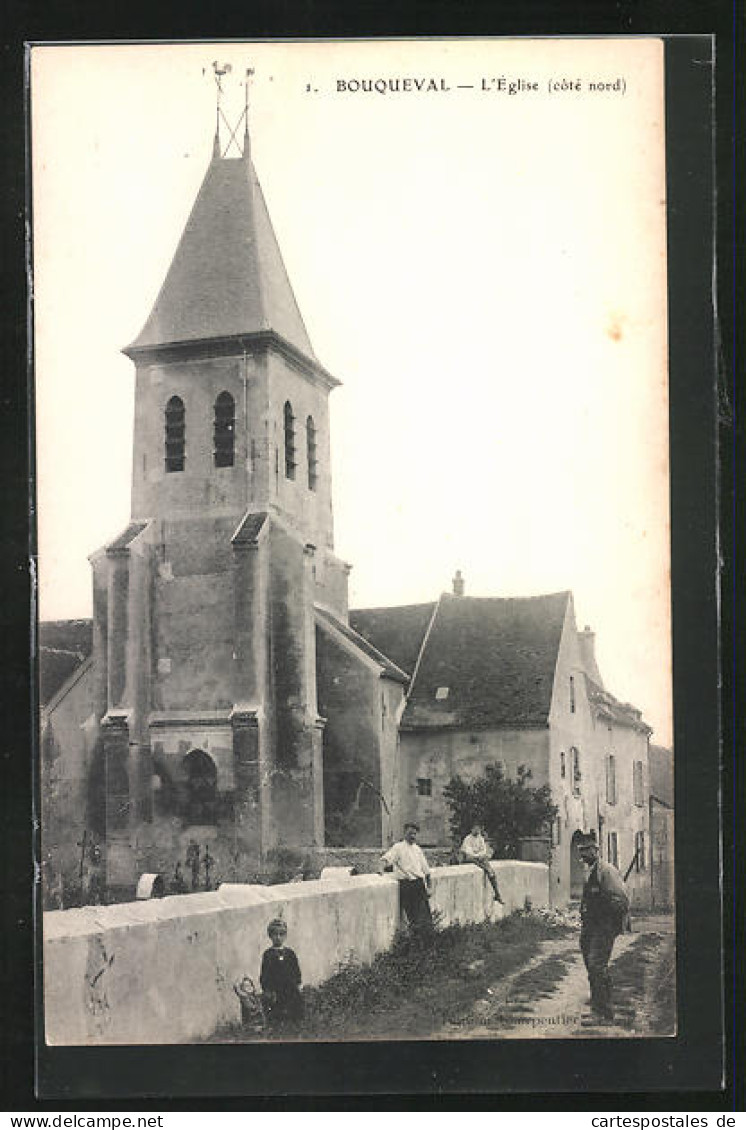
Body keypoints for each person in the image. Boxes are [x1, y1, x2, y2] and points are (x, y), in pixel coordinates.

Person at [577, 836, 630, 1025]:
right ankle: (599, 1005)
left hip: (604, 925)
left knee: (596, 964)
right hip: (591, 925)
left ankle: (603, 1013)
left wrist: (605, 916)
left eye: (585, 850)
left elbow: (621, 901)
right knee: (591, 964)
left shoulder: (607, 871)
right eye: (580, 850)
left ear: (595, 850)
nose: (582, 854)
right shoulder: (589, 870)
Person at [379, 822, 434, 932]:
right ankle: (415, 943)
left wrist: (429, 887)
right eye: (410, 833)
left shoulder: (418, 849)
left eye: (415, 833)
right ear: (405, 833)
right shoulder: (398, 847)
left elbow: (427, 872)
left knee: (426, 918)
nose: (412, 836)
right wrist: (381, 870)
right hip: (406, 885)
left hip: (419, 885)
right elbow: (386, 859)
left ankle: (428, 943)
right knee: (413, 918)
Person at [259, 918, 304, 1031]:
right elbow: (265, 973)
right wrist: (267, 989)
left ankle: (295, 1029)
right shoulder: (268, 954)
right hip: (276, 990)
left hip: (290, 988)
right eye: (275, 934)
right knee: (277, 1013)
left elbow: (296, 969)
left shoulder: (290, 953)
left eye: (281, 934)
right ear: (270, 936)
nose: (278, 937)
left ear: (285, 936)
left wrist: (297, 983)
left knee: (294, 1010)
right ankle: (278, 1030)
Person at [459, 823, 504, 903]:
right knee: (483, 864)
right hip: (470, 859)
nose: (477, 830)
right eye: (475, 828)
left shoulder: (480, 838)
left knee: (489, 869)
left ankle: (497, 893)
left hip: (480, 858)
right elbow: (468, 851)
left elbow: (483, 850)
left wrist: (480, 855)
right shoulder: (468, 839)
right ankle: (497, 892)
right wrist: (477, 855)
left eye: (478, 829)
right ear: (472, 829)